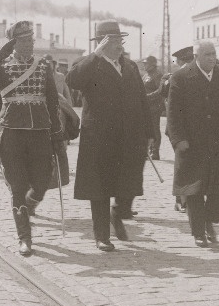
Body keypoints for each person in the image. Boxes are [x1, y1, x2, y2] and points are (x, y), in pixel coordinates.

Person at [0, 20, 63, 256]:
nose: (30, 44)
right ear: (13, 43)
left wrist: (57, 131)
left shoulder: (42, 66)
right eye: (23, 40)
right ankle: (24, 237)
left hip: (40, 131)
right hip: (11, 131)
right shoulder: (1, 65)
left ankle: (28, 208)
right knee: (17, 186)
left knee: (42, 183)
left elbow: (51, 100)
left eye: (30, 39)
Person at [65, 20, 154, 252]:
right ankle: (102, 235)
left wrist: (150, 132)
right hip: (100, 137)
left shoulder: (131, 66)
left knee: (129, 182)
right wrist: (94, 56)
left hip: (130, 136)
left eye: (120, 40)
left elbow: (142, 100)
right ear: (101, 43)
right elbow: (73, 81)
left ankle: (119, 212)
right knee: (101, 187)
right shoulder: (87, 64)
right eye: (112, 41)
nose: (118, 46)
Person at [167, 40, 219, 247]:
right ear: (196, 57)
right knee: (194, 190)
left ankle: (209, 220)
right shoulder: (180, 76)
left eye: (213, 54)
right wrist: (178, 139)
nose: (212, 58)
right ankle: (199, 232)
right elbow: (173, 111)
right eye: (207, 54)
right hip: (192, 143)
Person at [162, 46, 195, 212]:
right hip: (177, 129)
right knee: (182, 165)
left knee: (187, 165)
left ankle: (187, 200)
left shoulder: (192, 76)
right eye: (187, 62)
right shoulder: (175, 77)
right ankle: (180, 201)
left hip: (191, 128)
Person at [142, 55, 165, 160]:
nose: (144, 65)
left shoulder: (157, 75)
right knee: (146, 128)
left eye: (146, 63)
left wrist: (146, 97)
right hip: (146, 106)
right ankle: (148, 150)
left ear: (152, 64)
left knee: (154, 128)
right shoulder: (146, 75)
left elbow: (160, 91)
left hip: (155, 106)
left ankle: (155, 152)